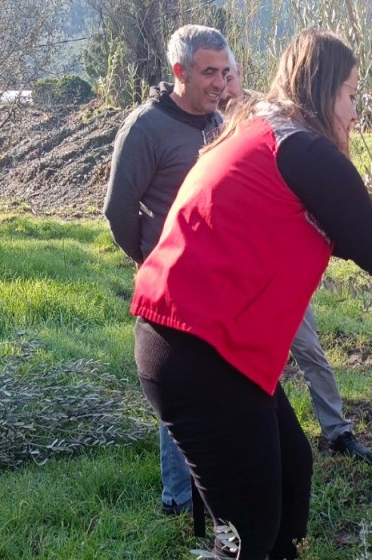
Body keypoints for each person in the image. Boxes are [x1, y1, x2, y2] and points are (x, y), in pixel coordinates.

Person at [131, 29, 372, 560]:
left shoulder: (273, 133)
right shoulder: (305, 148)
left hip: (205, 347)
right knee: (248, 531)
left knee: (293, 468)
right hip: (200, 352)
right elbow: (371, 248)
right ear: (326, 87)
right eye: (352, 94)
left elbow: (349, 225)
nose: (357, 111)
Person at [103, 24, 234, 516]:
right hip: (172, 288)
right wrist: (152, 260)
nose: (219, 83)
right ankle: (179, 496)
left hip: (219, 283)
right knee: (179, 387)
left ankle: (210, 483)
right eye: (208, 73)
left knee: (215, 382)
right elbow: (118, 210)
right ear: (179, 71)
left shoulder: (217, 123)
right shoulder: (146, 128)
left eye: (224, 72)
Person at [219, 80, 372, 464]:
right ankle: (250, 442)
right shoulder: (220, 138)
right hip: (234, 285)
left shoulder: (272, 133)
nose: (224, 83)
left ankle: (338, 432)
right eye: (216, 74)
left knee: (309, 352)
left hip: (282, 282)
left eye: (230, 74)